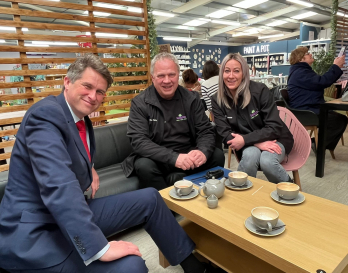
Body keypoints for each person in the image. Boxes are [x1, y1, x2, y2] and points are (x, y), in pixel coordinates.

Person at [0, 54, 217, 273]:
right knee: (132, 266)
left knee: (151, 198)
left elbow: (64, 153)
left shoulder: (80, 118)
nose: (93, 96)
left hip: (73, 211)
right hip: (38, 230)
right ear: (67, 81)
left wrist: (89, 167)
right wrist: (99, 248)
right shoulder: (45, 115)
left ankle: (195, 269)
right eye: (87, 86)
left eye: (100, 92)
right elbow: (58, 186)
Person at [124, 52, 225, 191]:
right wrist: (174, 158)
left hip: (189, 154)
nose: (167, 80)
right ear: (153, 78)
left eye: (171, 75)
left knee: (217, 155)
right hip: (158, 159)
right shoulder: (140, 103)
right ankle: (167, 209)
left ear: (178, 75)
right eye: (161, 76)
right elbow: (139, 141)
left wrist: (202, 151)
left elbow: (205, 130)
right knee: (143, 166)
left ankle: (202, 199)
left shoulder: (191, 98)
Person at [211, 53, 294, 184]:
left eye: (236, 71)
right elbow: (225, 133)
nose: (231, 76)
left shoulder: (260, 91)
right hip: (245, 142)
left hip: (276, 138)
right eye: (227, 71)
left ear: (244, 73)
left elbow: (274, 127)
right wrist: (254, 142)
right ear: (221, 74)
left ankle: (290, 190)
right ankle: (242, 194)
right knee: (250, 156)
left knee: (267, 161)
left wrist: (245, 139)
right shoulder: (217, 99)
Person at [287, 46, 348, 152]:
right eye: (307, 54)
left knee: (341, 119)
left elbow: (320, 82)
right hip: (305, 112)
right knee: (338, 120)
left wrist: (336, 67)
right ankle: (318, 145)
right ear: (300, 59)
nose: (310, 54)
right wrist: (336, 66)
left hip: (310, 108)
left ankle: (319, 144)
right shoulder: (300, 73)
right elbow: (322, 82)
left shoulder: (301, 71)